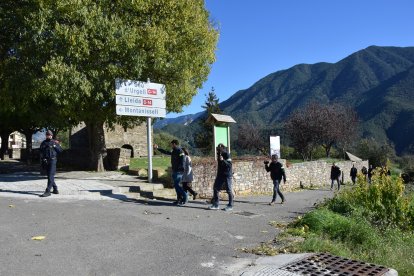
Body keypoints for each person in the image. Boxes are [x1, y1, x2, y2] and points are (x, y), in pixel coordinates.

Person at [154, 140, 188, 205]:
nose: (171, 145)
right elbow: (166, 152)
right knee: (176, 186)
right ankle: (179, 200)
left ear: (174, 144)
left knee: (177, 185)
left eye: (171, 144)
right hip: (175, 170)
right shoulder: (174, 151)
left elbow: (183, 160)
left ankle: (185, 196)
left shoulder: (179, 151)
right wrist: (158, 148)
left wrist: (180, 169)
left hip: (179, 171)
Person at [39, 130, 63, 197]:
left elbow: (60, 151)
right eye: (47, 135)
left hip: (53, 161)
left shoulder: (55, 142)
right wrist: (43, 159)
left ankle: (48, 191)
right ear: (46, 135)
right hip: (46, 161)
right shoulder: (43, 143)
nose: (48, 136)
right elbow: (41, 152)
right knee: (50, 176)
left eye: (49, 135)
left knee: (50, 176)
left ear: (51, 136)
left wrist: (55, 146)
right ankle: (55, 189)